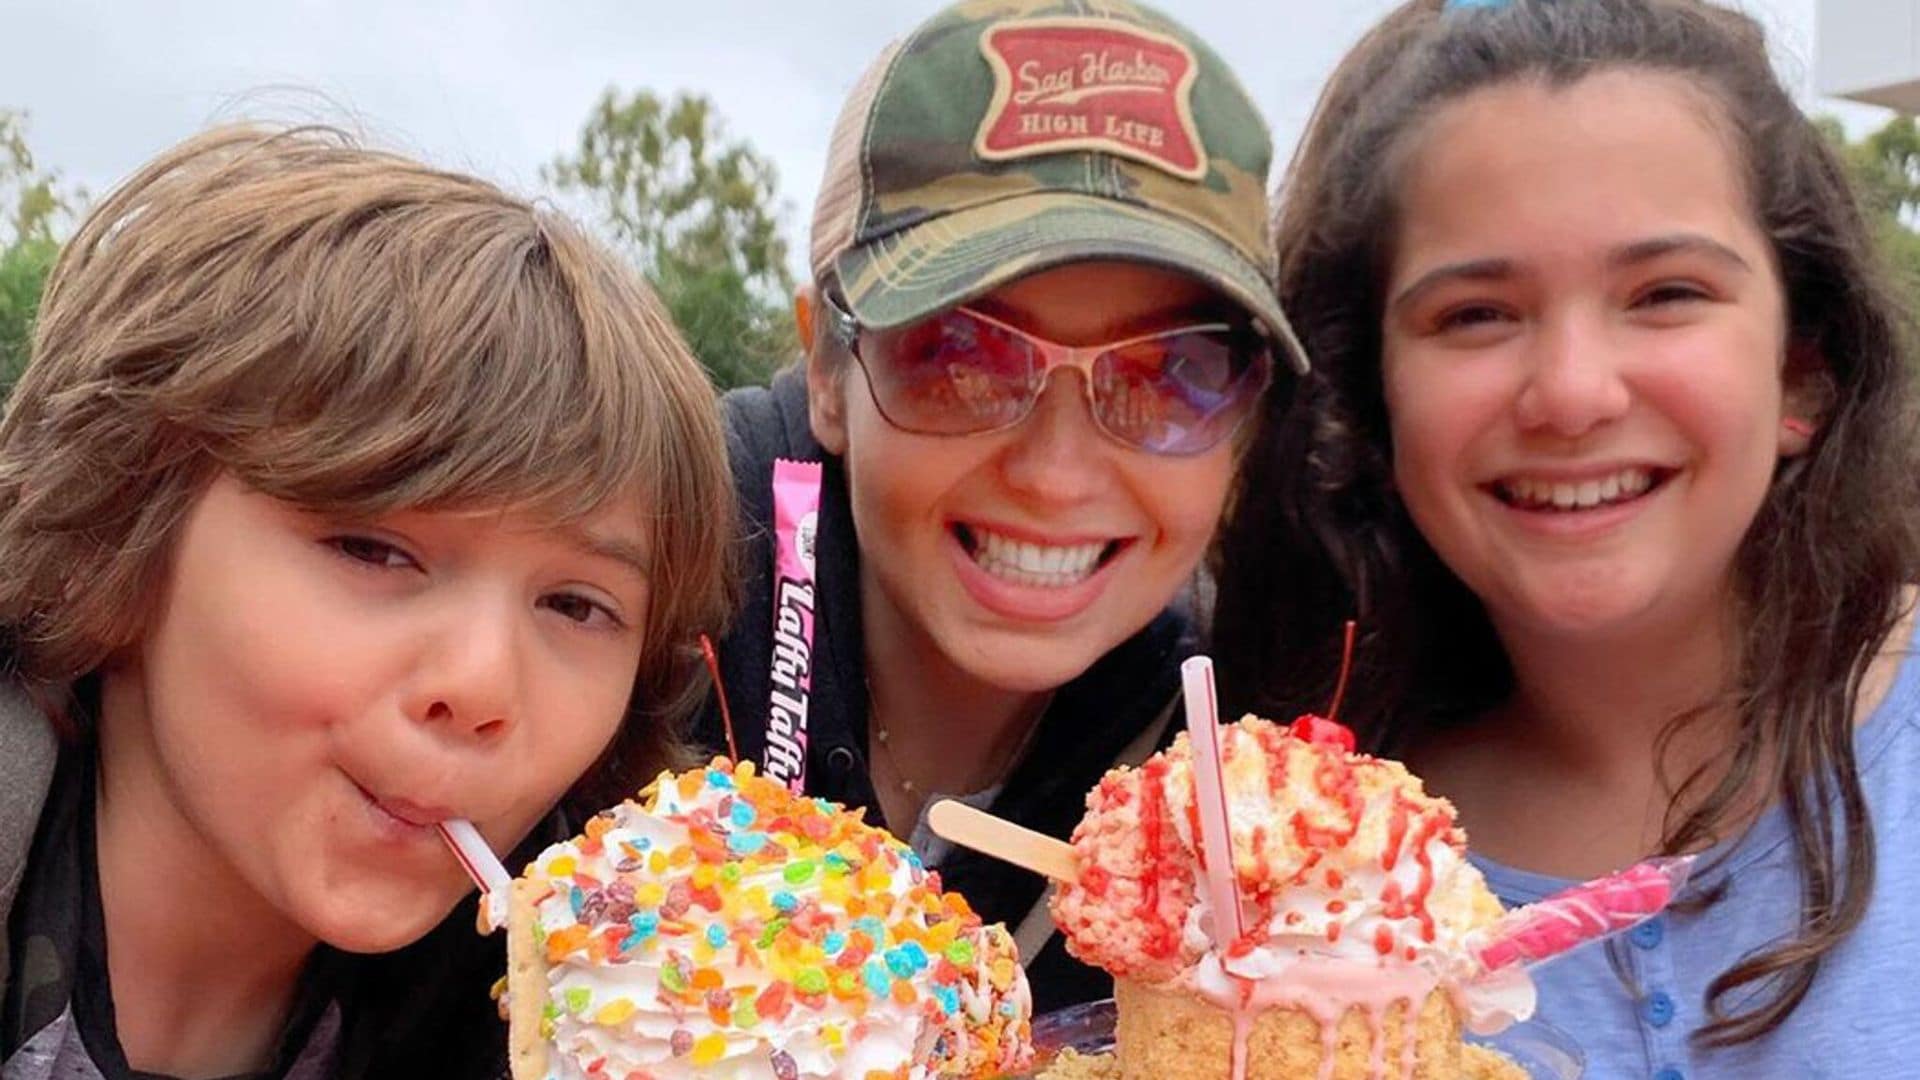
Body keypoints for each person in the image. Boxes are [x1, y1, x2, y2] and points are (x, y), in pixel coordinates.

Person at [1211, 0, 1920, 1075]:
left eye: (1666, 294)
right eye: (1477, 315)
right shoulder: (1283, 862)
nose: (1573, 394)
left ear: (1800, 372)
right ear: (1369, 399)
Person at [0, 125, 735, 1080]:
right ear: (120, 523)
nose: (481, 686)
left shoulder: (593, 1016)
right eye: (372, 548)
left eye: (574, 606)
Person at [698, 0, 1305, 1011]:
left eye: (1174, 373)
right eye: (961, 358)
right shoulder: (623, 615)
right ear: (827, 372)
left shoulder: (1247, 796)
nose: (1058, 475)